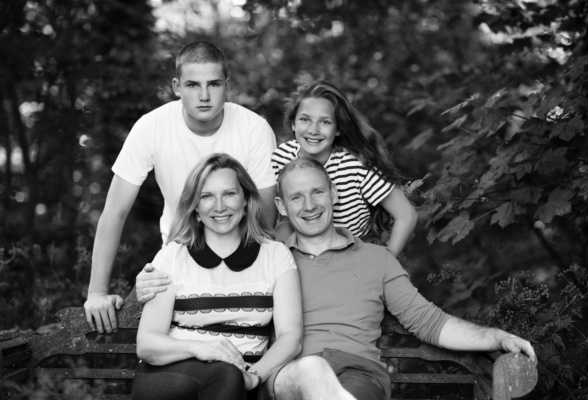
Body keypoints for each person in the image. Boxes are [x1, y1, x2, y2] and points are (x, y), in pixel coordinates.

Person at [137, 158, 537, 400]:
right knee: (311, 371)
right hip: (289, 377)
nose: (309, 206)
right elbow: (205, 262)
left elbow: (429, 322)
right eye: (296, 197)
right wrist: (144, 283)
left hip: (358, 375)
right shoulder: (272, 253)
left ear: (334, 194)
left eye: (317, 193)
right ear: (281, 206)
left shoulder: (377, 259)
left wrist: (495, 336)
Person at [85, 41, 279, 334]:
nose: (204, 96)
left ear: (227, 85)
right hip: (179, 259)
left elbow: (265, 219)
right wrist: (97, 292)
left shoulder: (254, 128)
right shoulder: (152, 126)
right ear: (177, 86)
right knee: (165, 351)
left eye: (213, 84)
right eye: (192, 85)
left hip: (245, 258)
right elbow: (115, 212)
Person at [131, 154, 302, 400]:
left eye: (229, 193)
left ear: (246, 200)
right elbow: (147, 344)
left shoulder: (275, 255)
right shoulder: (171, 257)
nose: (219, 206)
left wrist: (253, 376)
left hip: (240, 383)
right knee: (226, 374)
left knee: (229, 375)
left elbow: (291, 337)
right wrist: (201, 348)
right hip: (170, 377)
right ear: (196, 208)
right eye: (206, 196)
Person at [271, 80, 418, 257]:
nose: (313, 130)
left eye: (325, 122)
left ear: (338, 129)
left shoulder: (356, 166)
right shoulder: (282, 157)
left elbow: (406, 215)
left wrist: (385, 266)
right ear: (293, 124)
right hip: (307, 256)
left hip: (354, 257)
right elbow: (285, 216)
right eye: (305, 119)